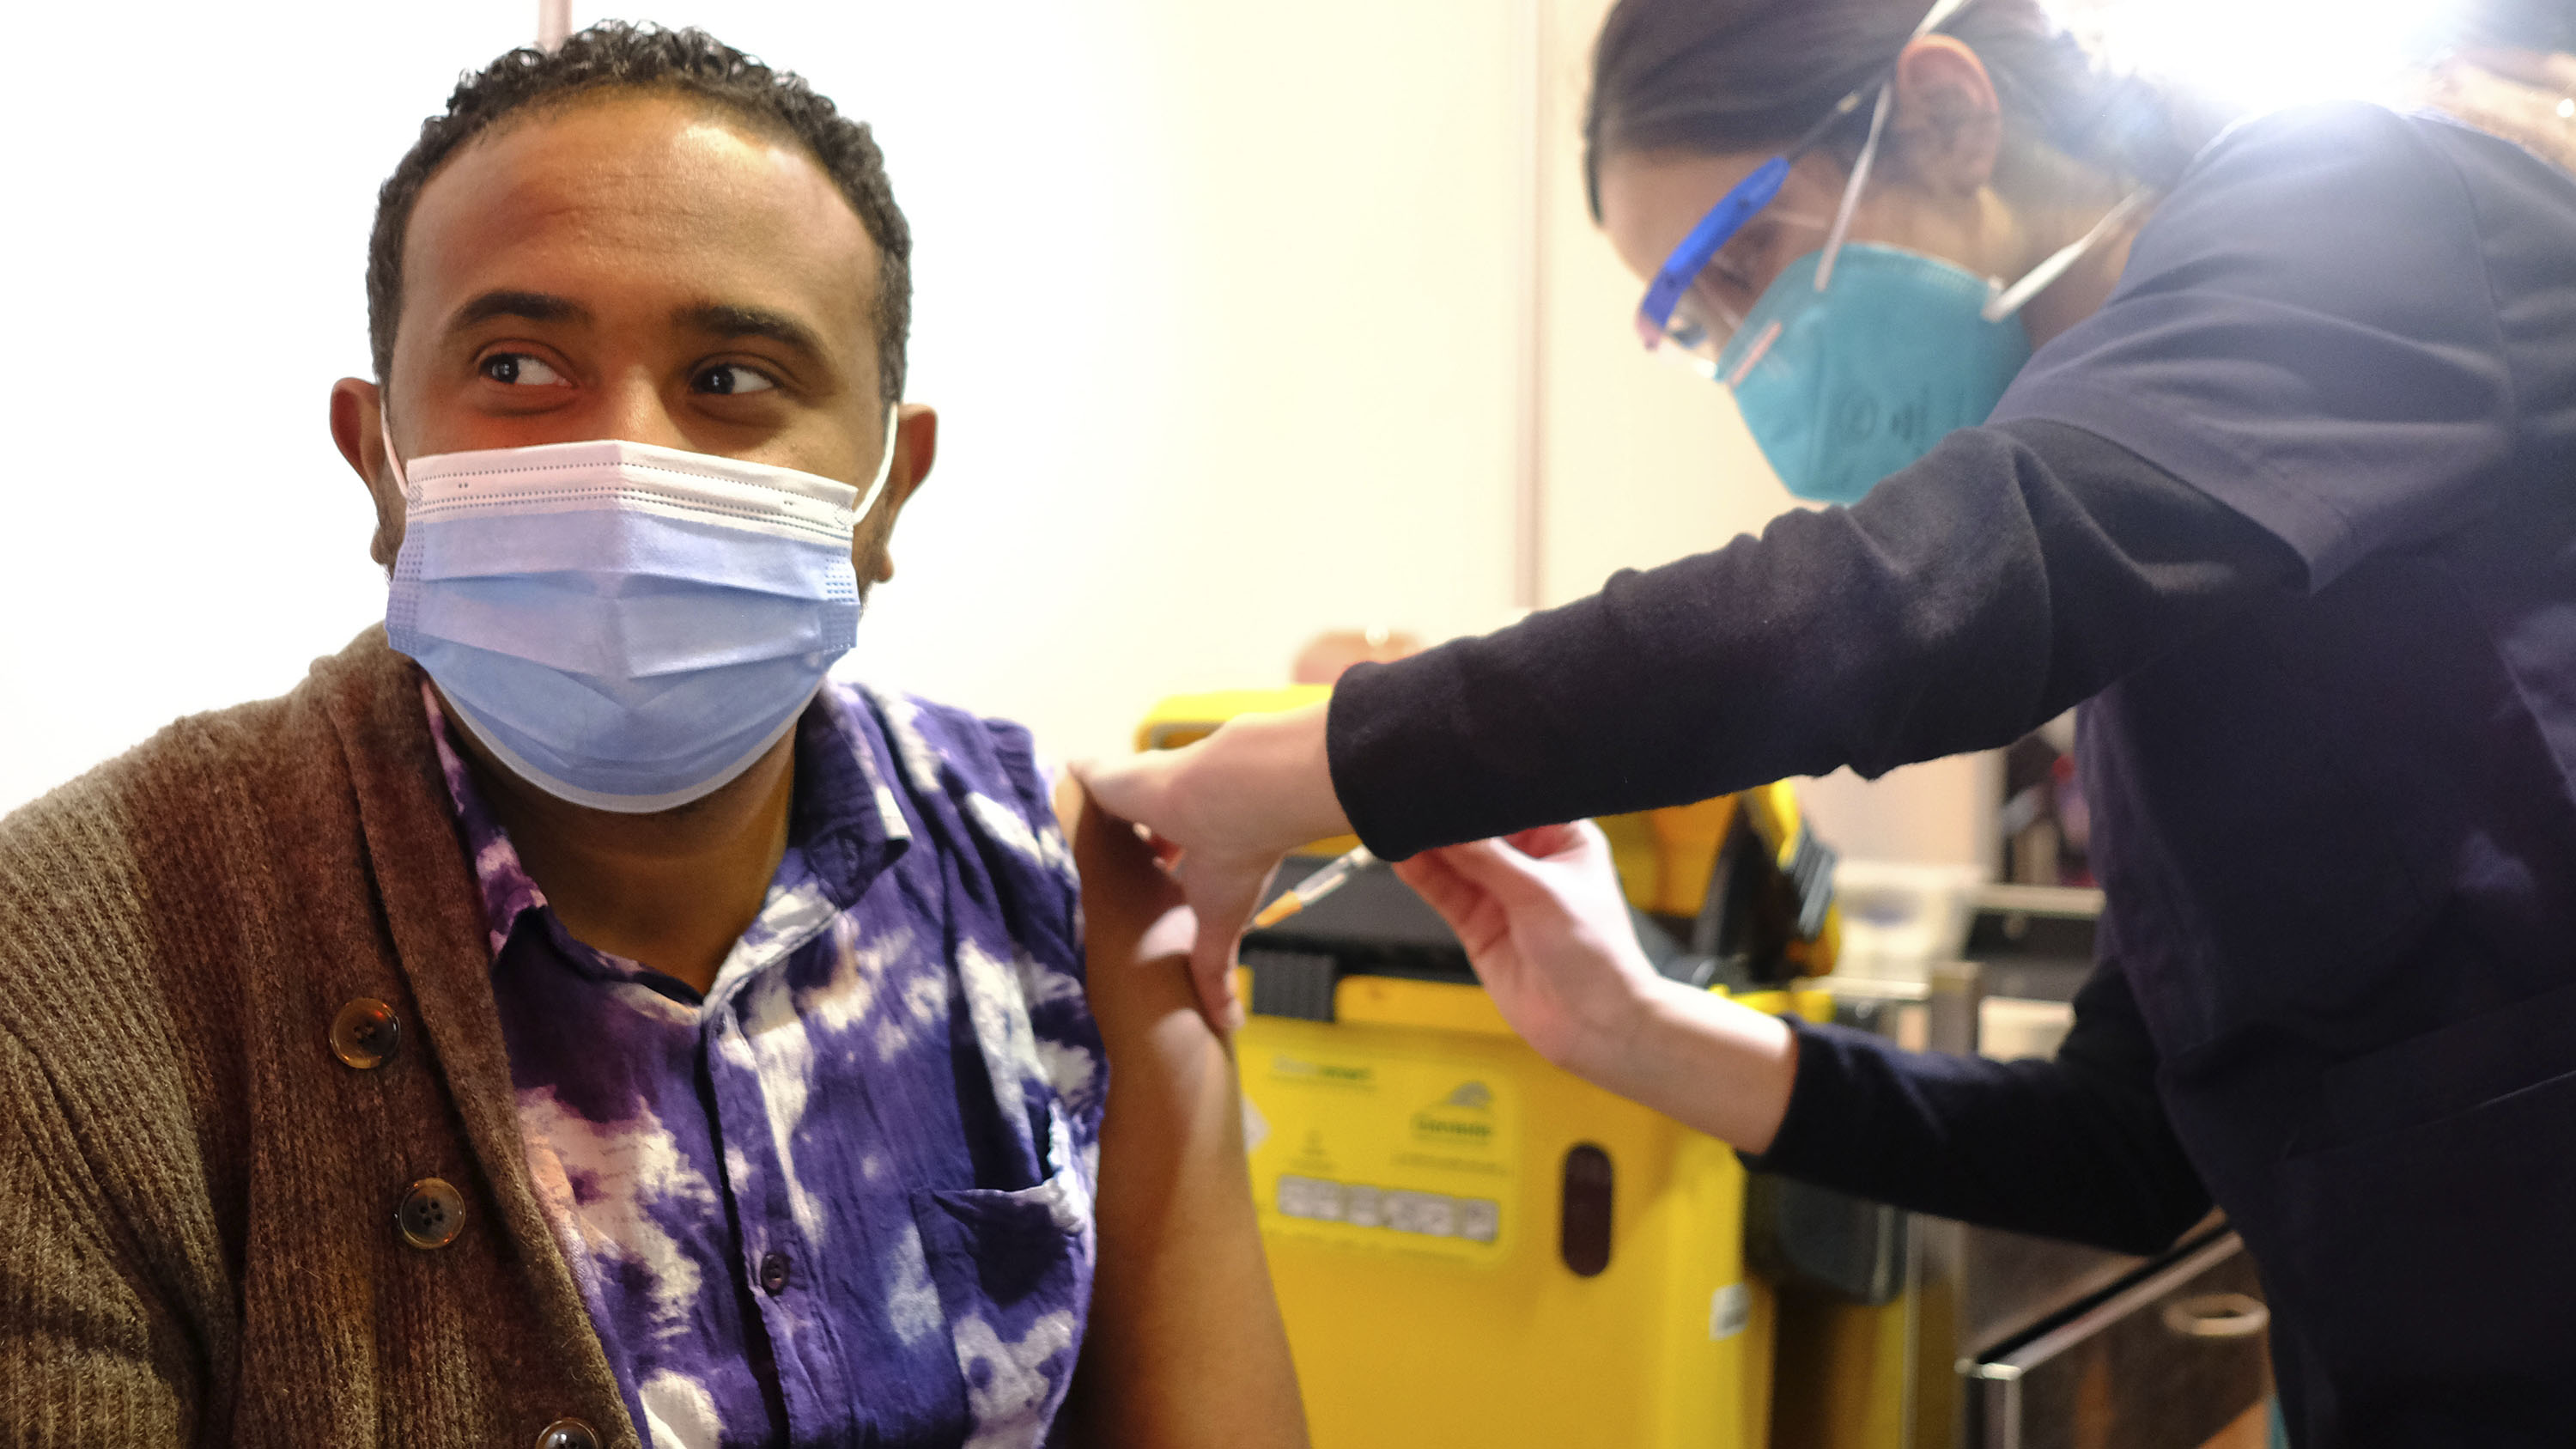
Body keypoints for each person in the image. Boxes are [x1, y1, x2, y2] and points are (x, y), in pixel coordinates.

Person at [1084, 2, 2576, 1442]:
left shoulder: (2362, 207)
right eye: (1695, 324)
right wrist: (1638, 1026)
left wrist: (1334, 758)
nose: (1746, 358)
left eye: (1741, 268)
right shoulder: (2163, 624)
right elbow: (2132, 1148)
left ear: (1944, 113)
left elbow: (1924, 593)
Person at [0, 25, 1303, 1449]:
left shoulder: (1050, 888)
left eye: (734, 380)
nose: (627, 461)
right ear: (377, 459)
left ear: (888, 490)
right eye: (515, 365)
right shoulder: (82, 961)